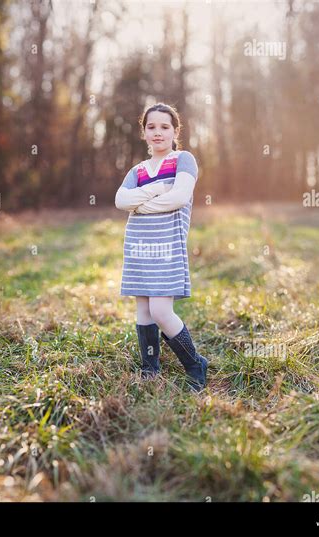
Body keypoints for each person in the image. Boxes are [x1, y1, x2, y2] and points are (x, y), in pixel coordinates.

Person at [114, 102, 208, 392]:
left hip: (167, 247)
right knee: (143, 310)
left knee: (160, 311)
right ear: (143, 133)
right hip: (139, 246)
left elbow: (178, 197)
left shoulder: (183, 160)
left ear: (175, 130)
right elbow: (120, 201)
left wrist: (139, 204)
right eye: (151, 127)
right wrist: (155, 189)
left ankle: (195, 364)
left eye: (164, 127)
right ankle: (150, 367)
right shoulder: (138, 170)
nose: (158, 132)